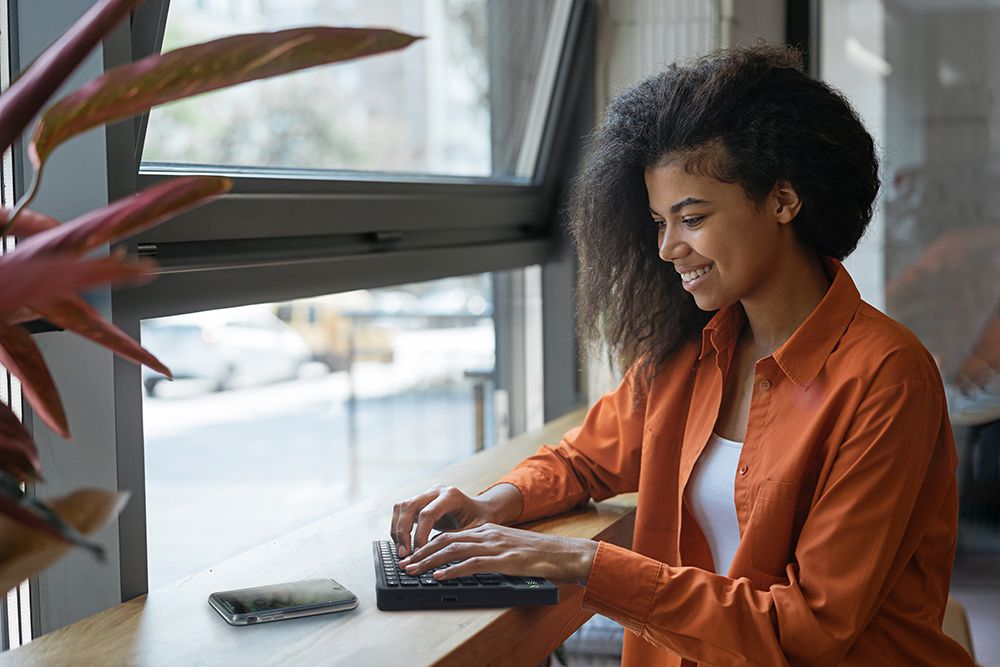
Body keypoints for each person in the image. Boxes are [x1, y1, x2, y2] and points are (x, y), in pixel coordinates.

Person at [389, 43, 975, 666]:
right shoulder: (689, 352)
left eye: (691, 218)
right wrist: (494, 503)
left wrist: (584, 562)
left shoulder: (888, 378)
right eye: (659, 222)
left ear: (783, 200)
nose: (668, 248)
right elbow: (586, 459)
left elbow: (806, 631)